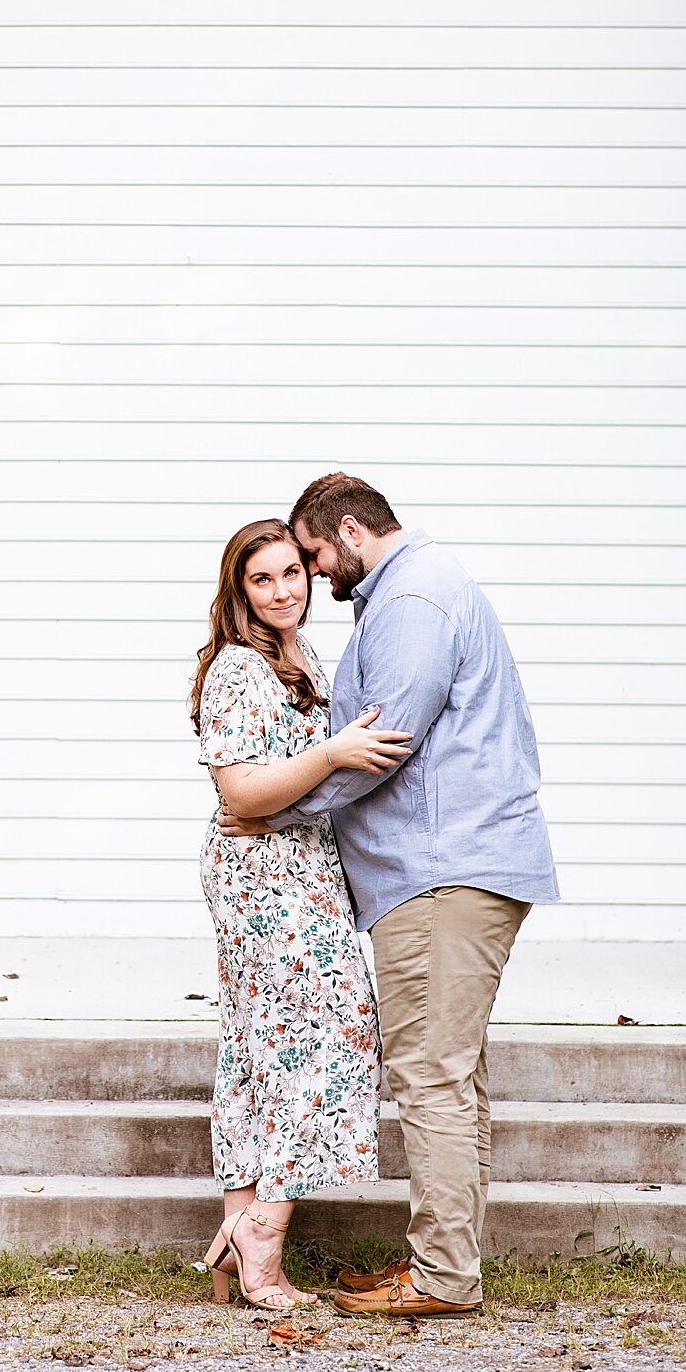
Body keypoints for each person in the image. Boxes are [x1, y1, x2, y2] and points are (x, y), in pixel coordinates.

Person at [222, 473, 559, 1321]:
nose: (307, 575)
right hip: (447, 868)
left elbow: (381, 743)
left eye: (310, 556)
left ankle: (442, 1277)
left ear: (346, 532)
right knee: (452, 1077)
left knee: (430, 1077)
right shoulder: (418, 588)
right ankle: (447, 1266)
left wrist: (274, 809)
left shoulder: (411, 598)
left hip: (443, 873)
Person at [190, 518, 413, 1312]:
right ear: (238, 589)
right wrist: (333, 752)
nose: (285, 590)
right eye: (264, 579)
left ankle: (240, 1246)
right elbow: (240, 793)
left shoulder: (302, 658)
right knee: (336, 1028)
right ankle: (263, 1229)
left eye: (294, 573)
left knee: (263, 1040)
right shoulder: (237, 671)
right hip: (262, 877)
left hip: (303, 869)